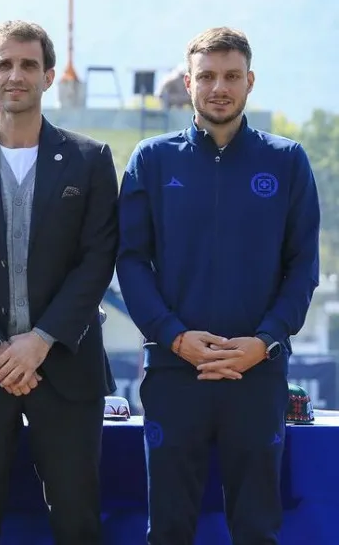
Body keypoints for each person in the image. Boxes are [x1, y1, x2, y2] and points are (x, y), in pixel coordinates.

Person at [116, 27, 320, 544]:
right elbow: (131, 262)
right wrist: (175, 336)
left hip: (257, 373)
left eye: (231, 76)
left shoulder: (287, 160)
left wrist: (265, 340)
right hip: (173, 372)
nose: (219, 87)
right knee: (168, 529)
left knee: (256, 530)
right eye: (206, 76)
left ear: (250, 82)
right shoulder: (152, 160)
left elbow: (303, 268)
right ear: (188, 83)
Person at [0, 20, 119, 545]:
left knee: (78, 523)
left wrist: (40, 342)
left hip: (67, 368)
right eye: (5, 64)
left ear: (49, 75)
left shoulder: (91, 159)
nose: (16, 75)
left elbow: (97, 260)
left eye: (28, 65)